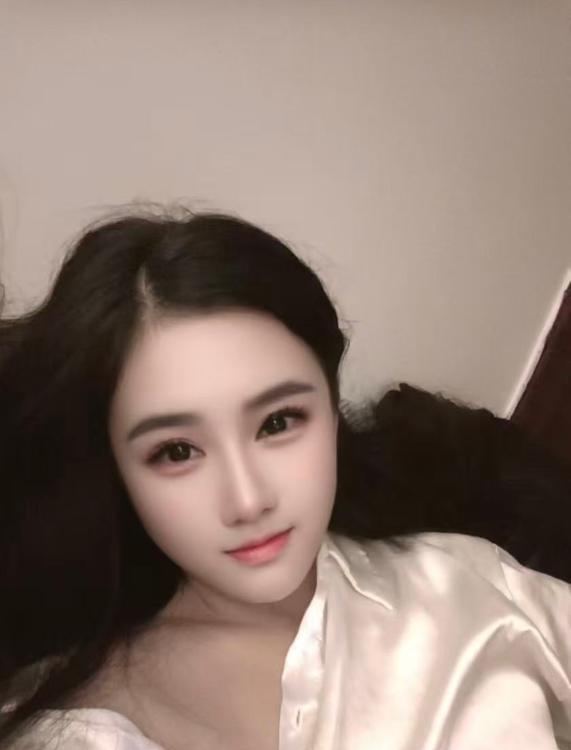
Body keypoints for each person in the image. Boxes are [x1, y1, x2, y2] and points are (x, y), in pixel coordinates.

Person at [0, 209, 570, 749]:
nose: (248, 500)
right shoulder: (85, 727)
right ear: (118, 471)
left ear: (332, 405)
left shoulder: (463, 576)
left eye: (278, 422)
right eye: (176, 451)